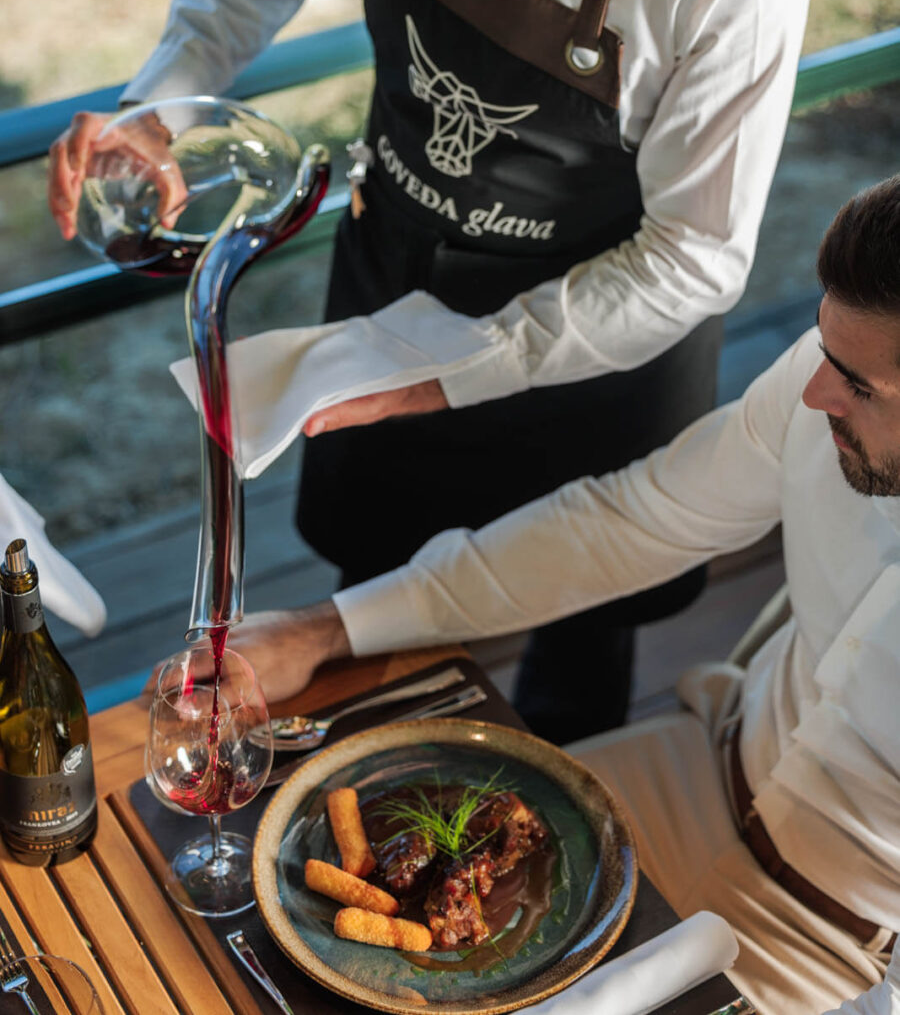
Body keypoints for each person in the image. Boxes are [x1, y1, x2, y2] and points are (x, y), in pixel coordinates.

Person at [47, 0, 812, 742]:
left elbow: (694, 257)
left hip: (603, 341)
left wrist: (448, 370)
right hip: (396, 271)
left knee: (580, 652)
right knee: (358, 627)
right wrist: (160, 106)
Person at [212, 176, 900, 1015]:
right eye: (824, 351)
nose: (814, 392)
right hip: (694, 767)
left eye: (860, 387)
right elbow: (629, 523)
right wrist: (327, 629)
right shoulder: (835, 370)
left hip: (836, 951)